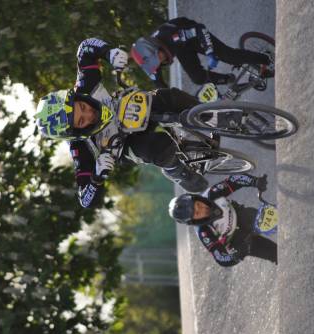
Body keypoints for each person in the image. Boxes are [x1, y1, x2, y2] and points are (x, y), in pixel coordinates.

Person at [35, 37, 209, 209]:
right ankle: (179, 172)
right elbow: (86, 200)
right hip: (125, 143)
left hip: (128, 108)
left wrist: (109, 53)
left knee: (168, 97)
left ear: (76, 97)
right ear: (75, 133)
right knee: (158, 148)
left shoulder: (85, 84)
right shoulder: (80, 149)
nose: (89, 113)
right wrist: (96, 178)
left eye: (82, 106)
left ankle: (210, 113)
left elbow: (84, 49)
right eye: (81, 121)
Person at [131, 17, 273, 89]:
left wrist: (210, 51)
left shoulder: (172, 35)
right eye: (158, 62)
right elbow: (160, 87)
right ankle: (229, 80)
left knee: (229, 56)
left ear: (155, 47)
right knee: (197, 78)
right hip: (180, 48)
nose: (161, 61)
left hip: (193, 36)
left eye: (159, 57)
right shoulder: (149, 63)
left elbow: (200, 29)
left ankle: (266, 58)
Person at [168, 174, 277, 267]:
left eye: (198, 204)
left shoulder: (211, 194)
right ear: (193, 221)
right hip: (238, 241)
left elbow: (233, 181)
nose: (202, 209)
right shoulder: (203, 232)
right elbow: (220, 257)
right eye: (197, 213)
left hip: (243, 216)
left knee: (277, 218)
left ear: (197, 198)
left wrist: (254, 181)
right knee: (275, 253)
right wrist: (235, 256)